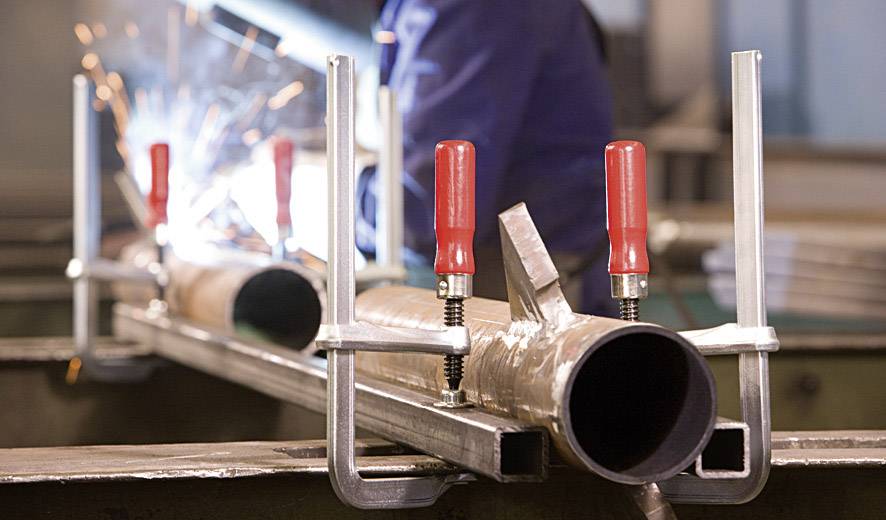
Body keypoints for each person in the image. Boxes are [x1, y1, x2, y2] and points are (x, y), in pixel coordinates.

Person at [358, 0, 616, 316]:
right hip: (523, 272)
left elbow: (429, 207)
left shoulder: (475, 6)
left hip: (529, 289)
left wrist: (348, 206)